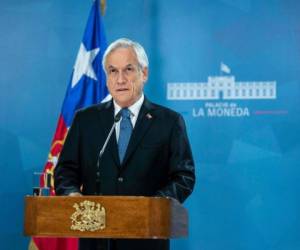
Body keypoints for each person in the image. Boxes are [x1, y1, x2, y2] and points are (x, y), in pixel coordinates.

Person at [54, 38, 195, 250]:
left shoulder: (169, 122)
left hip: (147, 239)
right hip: (96, 241)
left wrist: (153, 206)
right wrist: (73, 195)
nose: (120, 79)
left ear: (144, 73)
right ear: (106, 78)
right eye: (112, 71)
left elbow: (184, 176)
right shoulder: (86, 120)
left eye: (128, 69)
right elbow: (65, 171)